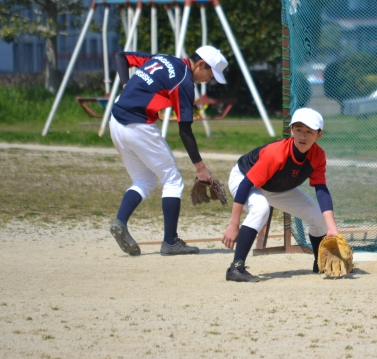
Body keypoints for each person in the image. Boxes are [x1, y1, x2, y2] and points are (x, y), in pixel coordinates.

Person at [108, 46, 228, 257]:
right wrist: (201, 168)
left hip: (116, 122)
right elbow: (185, 130)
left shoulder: (163, 59)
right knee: (173, 180)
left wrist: (125, 84)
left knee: (143, 181)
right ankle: (170, 242)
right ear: (201, 64)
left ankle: (120, 222)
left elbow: (121, 56)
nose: (208, 79)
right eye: (210, 74)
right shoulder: (184, 81)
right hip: (137, 125)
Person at [221, 107, 339, 282]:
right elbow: (246, 184)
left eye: (309, 131)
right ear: (291, 130)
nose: (303, 136)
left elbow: (321, 190)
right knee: (260, 208)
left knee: (317, 215)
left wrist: (332, 228)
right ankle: (235, 268)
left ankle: (321, 262)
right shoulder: (276, 153)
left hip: (275, 186)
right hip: (244, 178)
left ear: (319, 134)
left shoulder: (318, 155)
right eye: (298, 129)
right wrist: (233, 224)